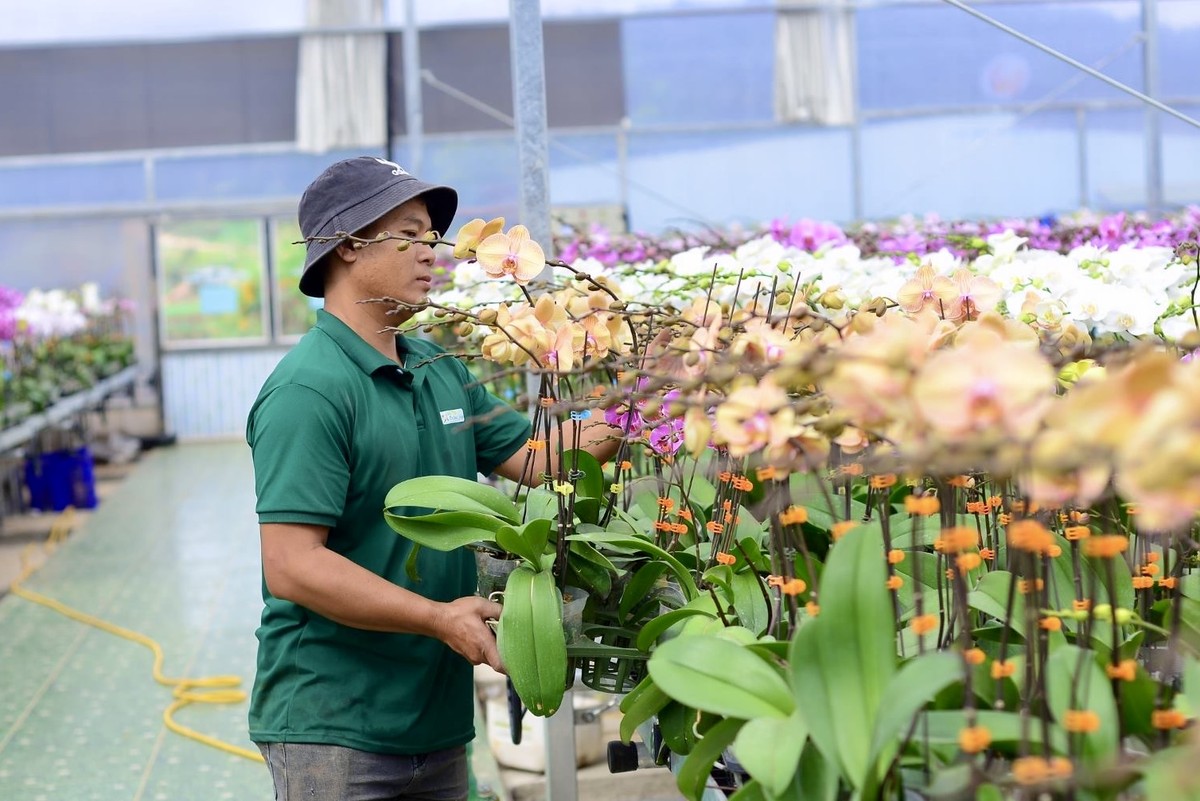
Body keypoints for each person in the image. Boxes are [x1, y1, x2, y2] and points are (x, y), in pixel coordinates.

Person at [245, 156, 620, 801]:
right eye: (410, 236)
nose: (431, 254)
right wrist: (437, 618)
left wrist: (647, 406)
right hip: (334, 723)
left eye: (432, 239)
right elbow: (293, 566)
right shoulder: (310, 389)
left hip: (435, 716)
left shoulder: (437, 364)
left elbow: (538, 458)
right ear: (347, 247)